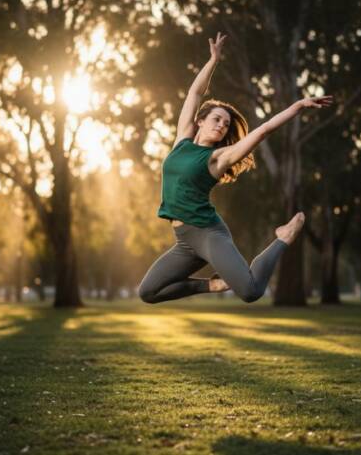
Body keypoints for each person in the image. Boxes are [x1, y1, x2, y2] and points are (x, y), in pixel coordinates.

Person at [138, 32, 333, 304]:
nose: (221, 125)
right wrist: (213, 61)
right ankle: (213, 286)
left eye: (226, 124)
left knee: (251, 291)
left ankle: (283, 238)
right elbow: (195, 92)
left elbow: (263, 130)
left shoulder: (218, 158)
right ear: (200, 121)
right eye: (216, 119)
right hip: (184, 241)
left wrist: (298, 106)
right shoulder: (181, 140)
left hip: (207, 233)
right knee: (147, 292)